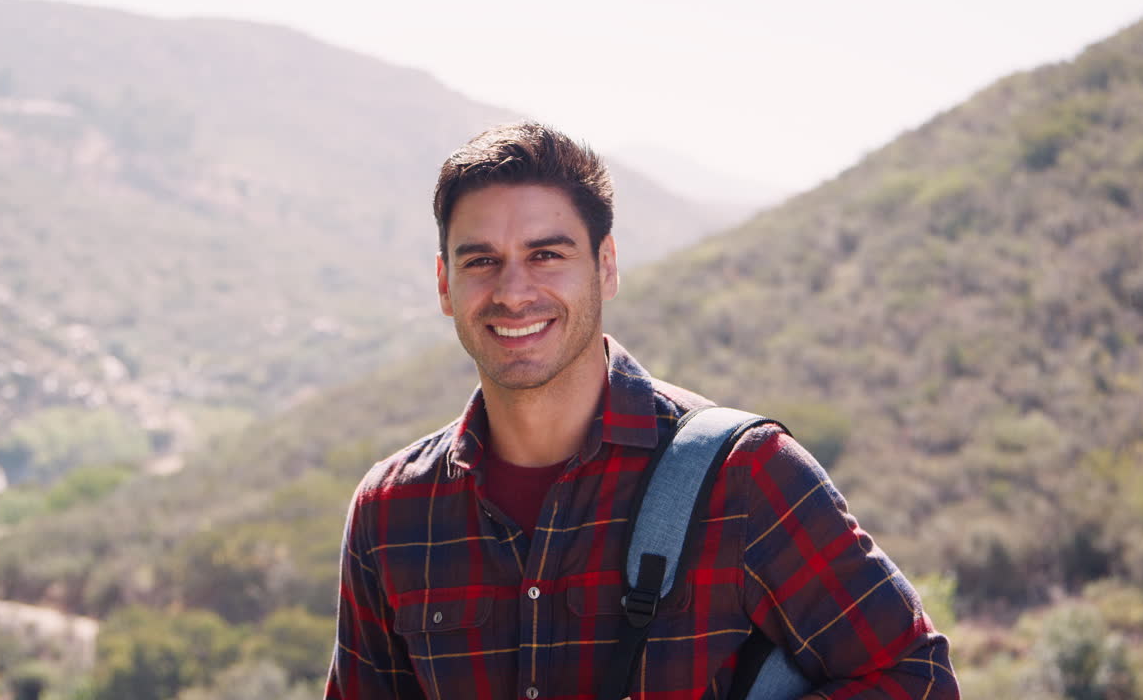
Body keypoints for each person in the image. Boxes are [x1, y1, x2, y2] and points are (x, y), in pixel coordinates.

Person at [325, 121, 959, 699]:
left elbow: (913, 677)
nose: (513, 292)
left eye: (547, 255)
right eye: (481, 261)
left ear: (606, 267)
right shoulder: (390, 512)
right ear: (444, 284)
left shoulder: (745, 475)